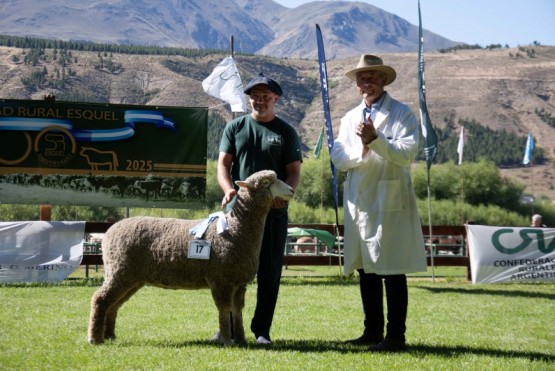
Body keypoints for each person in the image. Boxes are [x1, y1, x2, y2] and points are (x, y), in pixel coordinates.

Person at [330, 54, 427, 352]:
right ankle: (371, 331)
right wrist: (361, 148)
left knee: (392, 269)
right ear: (357, 84)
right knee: (365, 269)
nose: (366, 81)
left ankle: (396, 336)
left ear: (384, 80)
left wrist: (376, 140)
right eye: (362, 77)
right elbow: (337, 156)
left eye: (372, 76)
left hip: (389, 200)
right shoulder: (349, 118)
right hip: (360, 201)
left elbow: (406, 154)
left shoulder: (402, 114)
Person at [217, 73, 302, 345]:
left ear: (275, 99)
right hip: (238, 215)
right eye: (255, 96)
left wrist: (285, 198)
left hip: (273, 215)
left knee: (269, 272)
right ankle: (228, 327)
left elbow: (293, 172)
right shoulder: (235, 128)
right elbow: (222, 166)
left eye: (266, 96)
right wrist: (228, 188)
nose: (260, 100)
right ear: (249, 98)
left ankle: (261, 331)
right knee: (229, 273)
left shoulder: (285, 132)